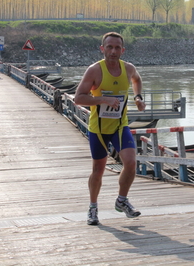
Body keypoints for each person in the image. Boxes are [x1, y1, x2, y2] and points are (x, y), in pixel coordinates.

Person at [74, 32, 146, 226]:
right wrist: (103, 99)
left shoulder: (128, 68)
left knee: (131, 163)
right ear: (102, 48)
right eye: (109, 47)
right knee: (98, 170)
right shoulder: (94, 70)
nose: (113, 51)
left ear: (123, 50)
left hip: (119, 125)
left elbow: (137, 80)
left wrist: (138, 98)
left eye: (117, 48)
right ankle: (92, 207)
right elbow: (78, 98)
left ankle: (122, 200)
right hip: (98, 128)